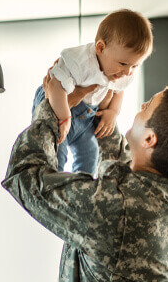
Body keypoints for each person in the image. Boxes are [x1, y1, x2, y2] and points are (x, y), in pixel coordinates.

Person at [2, 76, 168, 282]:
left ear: (149, 139)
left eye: (147, 106)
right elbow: (124, 173)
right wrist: (98, 110)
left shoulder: (116, 208)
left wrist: (52, 111)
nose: (140, 107)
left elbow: (24, 175)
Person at [32, 9, 153, 175]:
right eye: (123, 63)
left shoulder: (121, 71)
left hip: (86, 119)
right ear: (101, 48)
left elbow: (119, 90)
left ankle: (81, 188)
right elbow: (53, 86)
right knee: (56, 155)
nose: (128, 72)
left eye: (134, 66)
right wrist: (64, 117)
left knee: (90, 156)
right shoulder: (79, 61)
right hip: (59, 105)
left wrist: (113, 111)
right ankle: (54, 185)